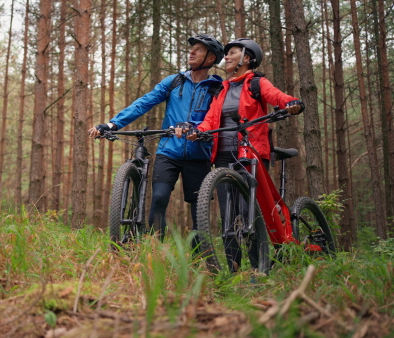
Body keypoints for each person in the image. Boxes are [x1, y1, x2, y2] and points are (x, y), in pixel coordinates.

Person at [88, 34, 224, 246]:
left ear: (210, 58)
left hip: (199, 155)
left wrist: (194, 128)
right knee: (159, 197)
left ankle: (200, 260)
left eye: (198, 49)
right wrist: (113, 124)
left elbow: (215, 118)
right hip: (168, 151)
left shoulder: (217, 88)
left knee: (199, 209)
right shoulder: (175, 81)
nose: (191, 52)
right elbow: (143, 103)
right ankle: (153, 251)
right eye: (192, 48)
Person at [185, 38, 304, 272]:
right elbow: (210, 119)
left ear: (247, 58)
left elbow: (277, 97)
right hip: (222, 156)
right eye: (226, 54)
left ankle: (257, 271)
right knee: (228, 217)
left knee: (247, 211)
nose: (226, 57)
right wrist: (198, 132)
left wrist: (292, 103)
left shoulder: (257, 83)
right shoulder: (223, 89)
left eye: (233, 53)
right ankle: (233, 271)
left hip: (250, 153)